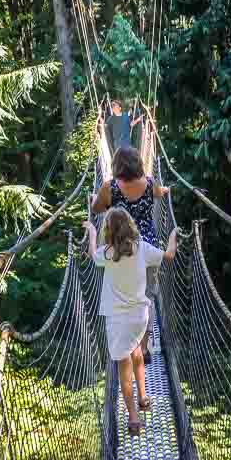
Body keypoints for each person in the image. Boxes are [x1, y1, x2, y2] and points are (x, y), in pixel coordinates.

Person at [83, 209, 177, 435]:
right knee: (136, 352)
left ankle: (134, 419)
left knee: (123, 367)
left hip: (117, 321)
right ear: (130, 227)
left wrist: (92, 232)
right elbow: (168, 255)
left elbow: (91, 253)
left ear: (109, 232)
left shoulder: (107, 253)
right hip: (140, 318)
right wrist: (173, 234)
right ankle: (144, 398)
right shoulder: (141, 247)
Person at [91, 147, 170, 364]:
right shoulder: (150, 183)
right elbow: (160, 192)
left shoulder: (110, 188)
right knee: (146, 298)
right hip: (147, 249)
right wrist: (165, 191)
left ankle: (126, 347)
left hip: (119, 250)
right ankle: (142, 349)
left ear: (117, 165)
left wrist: (95, 198)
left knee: (122, 298)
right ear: (138, 163)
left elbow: (97, 209)